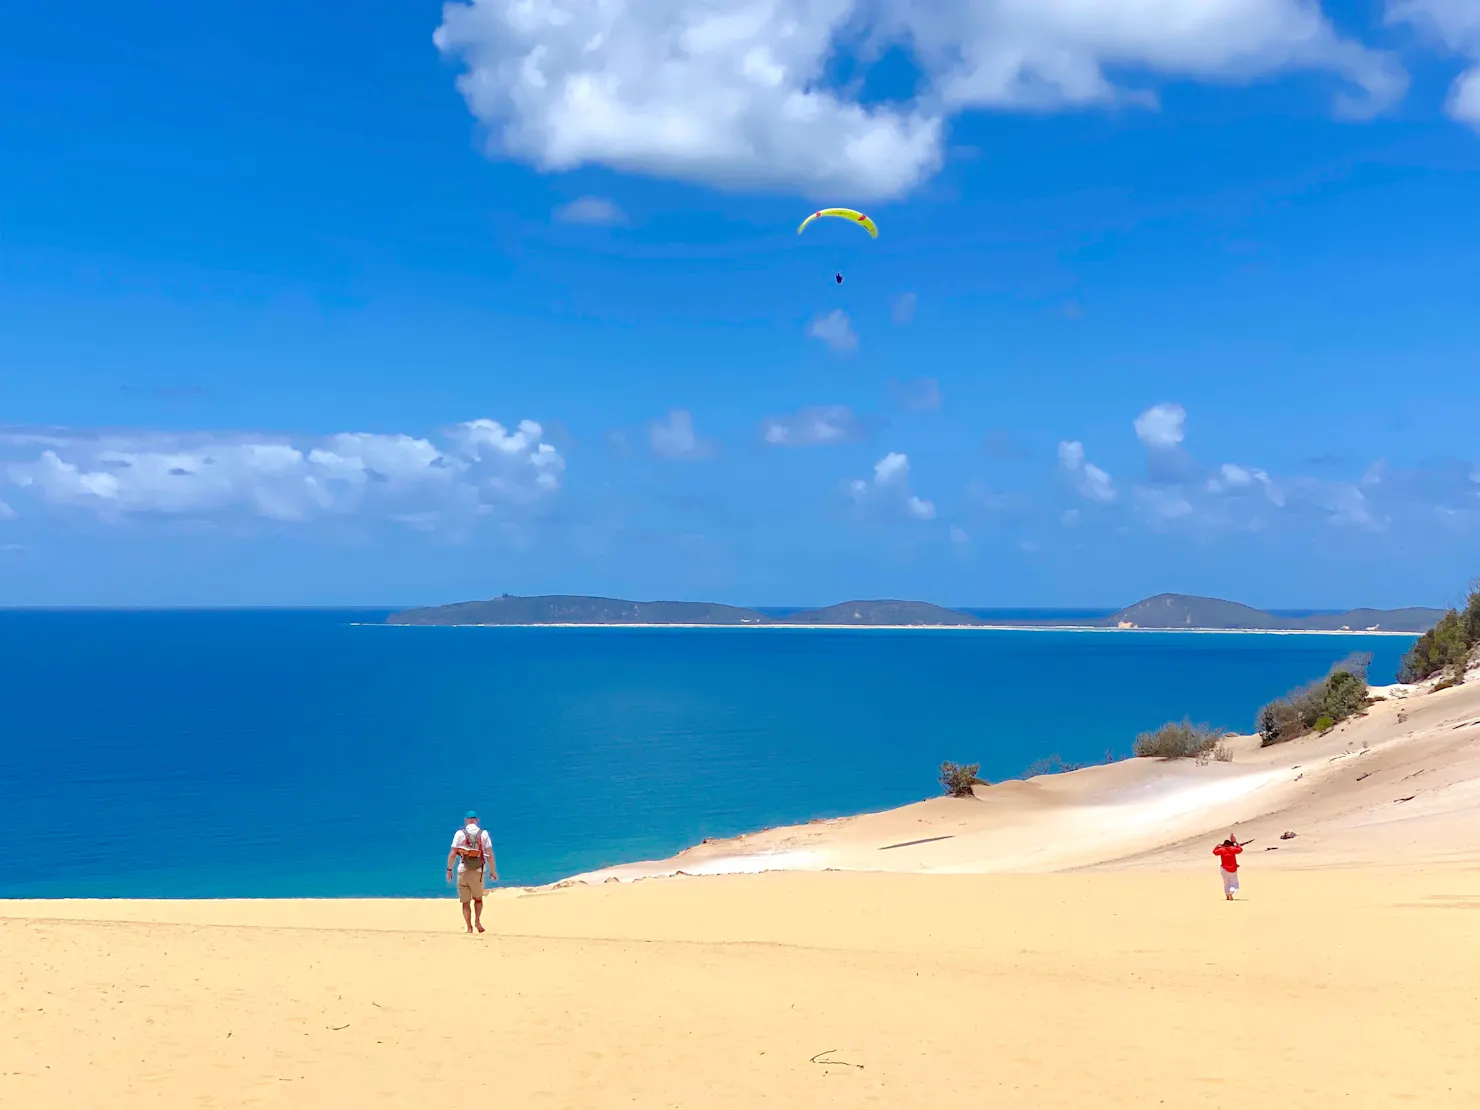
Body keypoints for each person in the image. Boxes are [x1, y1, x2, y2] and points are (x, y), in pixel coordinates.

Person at [446, 810, 497, 933]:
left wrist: (449, 869)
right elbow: (489, 854)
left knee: (465, 902)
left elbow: (453, 854)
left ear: (466, 820)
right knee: (478, 899)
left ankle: (469, 927)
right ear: (477, 820)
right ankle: (477, 921)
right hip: (477, 871)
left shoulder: (459, 833)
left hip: (463, 870)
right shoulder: (483, 834)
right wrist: (493, 871)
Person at [1214, 835, 1244, 900]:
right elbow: (1240, 849)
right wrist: (1236, 842)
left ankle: (1227, 895)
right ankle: (1231, 892)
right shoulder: (1232, 849)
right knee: (1234, 882)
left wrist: (1217, 846)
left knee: (1226, 883)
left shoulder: (1221, 850)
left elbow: (1214, 852)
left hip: (1224, 869)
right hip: (1233, 869)